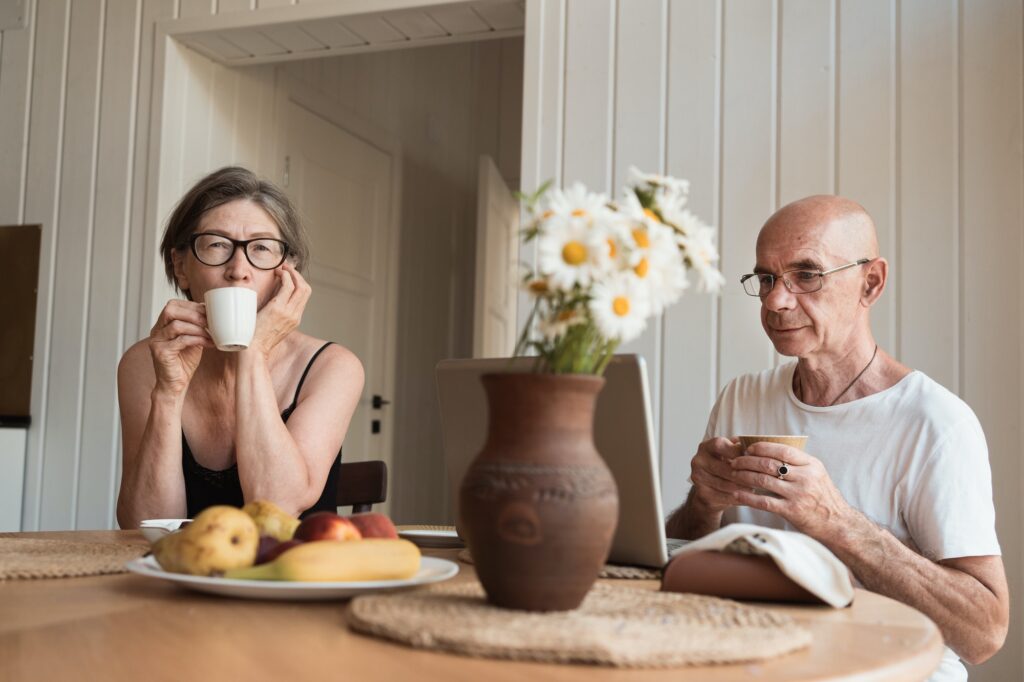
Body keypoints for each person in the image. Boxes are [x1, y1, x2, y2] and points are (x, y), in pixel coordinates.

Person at [666, 196, 1008, 680]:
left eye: (806, 275)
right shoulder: (741, 397)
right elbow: (678, 563)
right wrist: (702, 503)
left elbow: (984, 634)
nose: (775, 301)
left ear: (871, 283)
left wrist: (838, 522)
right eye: (766, 278)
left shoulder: (935, 423)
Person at [116, 166, 364, 528]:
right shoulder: (143, 363)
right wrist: (168, 393)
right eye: (217, 244)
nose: (238, 269)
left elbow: (276, 507)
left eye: (261, 248)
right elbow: (145, 525)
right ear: (181, 266)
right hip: (180, 573)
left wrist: (252, 351)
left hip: (290, 576)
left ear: (287, 273)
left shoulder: (333, 367)